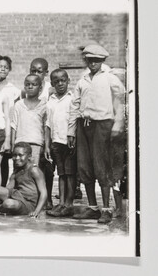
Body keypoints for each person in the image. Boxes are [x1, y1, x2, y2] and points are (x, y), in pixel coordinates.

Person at [68, 44, 126, 223]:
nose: (93, 64)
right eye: (89, 60)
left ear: (102, 61)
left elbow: (120, 103)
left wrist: (118, 125)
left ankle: (107, 209)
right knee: (85, 166)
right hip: (84, 125)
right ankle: (93, 207)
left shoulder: (110, 79)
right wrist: (71, 131)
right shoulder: (82, 80)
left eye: (96, 60)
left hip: (103, 126)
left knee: (103, 166)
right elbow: (74, 106)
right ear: (85, 60)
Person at [10, 74, 50, 209]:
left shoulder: (44, 105)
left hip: (36, 145)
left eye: (34, 84)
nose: (30, 86)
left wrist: (46, 145)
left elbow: (46, 127)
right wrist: (12, 143)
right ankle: (20, 200)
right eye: (27, 84)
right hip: (20, 144)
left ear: (40, 87)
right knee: (19, 174)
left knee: (34, 173)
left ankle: (39, 203)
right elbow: (14, 125)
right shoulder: (19, 105)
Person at [45, 69, 78, 217]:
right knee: (62, 173)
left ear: (68, 80)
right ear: (52, 83)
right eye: (56, 81)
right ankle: (62, 203)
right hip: (56, 142)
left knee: (70, 173)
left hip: (69, 142)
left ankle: (69, 204)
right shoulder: (50, 101)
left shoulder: (72, 99)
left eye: (63, 80)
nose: (60, 84)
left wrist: (75, 138)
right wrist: (47, 145)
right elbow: (48, 125)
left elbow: (76, 121)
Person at [0, 142, 48, 217]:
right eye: (14, 155)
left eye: (20, 155)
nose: (17, 158)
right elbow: (8, 189)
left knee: (8, 203)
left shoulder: (34, 170)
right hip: (17, 195)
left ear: (29, 156)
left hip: (28, 204)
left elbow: (43, 193)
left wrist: (36, 211)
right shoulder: (17, 170)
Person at [0, 55, 21, 185]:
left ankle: (2, 187)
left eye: (5, 67)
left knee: (3, 160)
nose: (2, 69)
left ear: (9, 70)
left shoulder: (13, 90)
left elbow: (15, 112)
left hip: (6, 128)